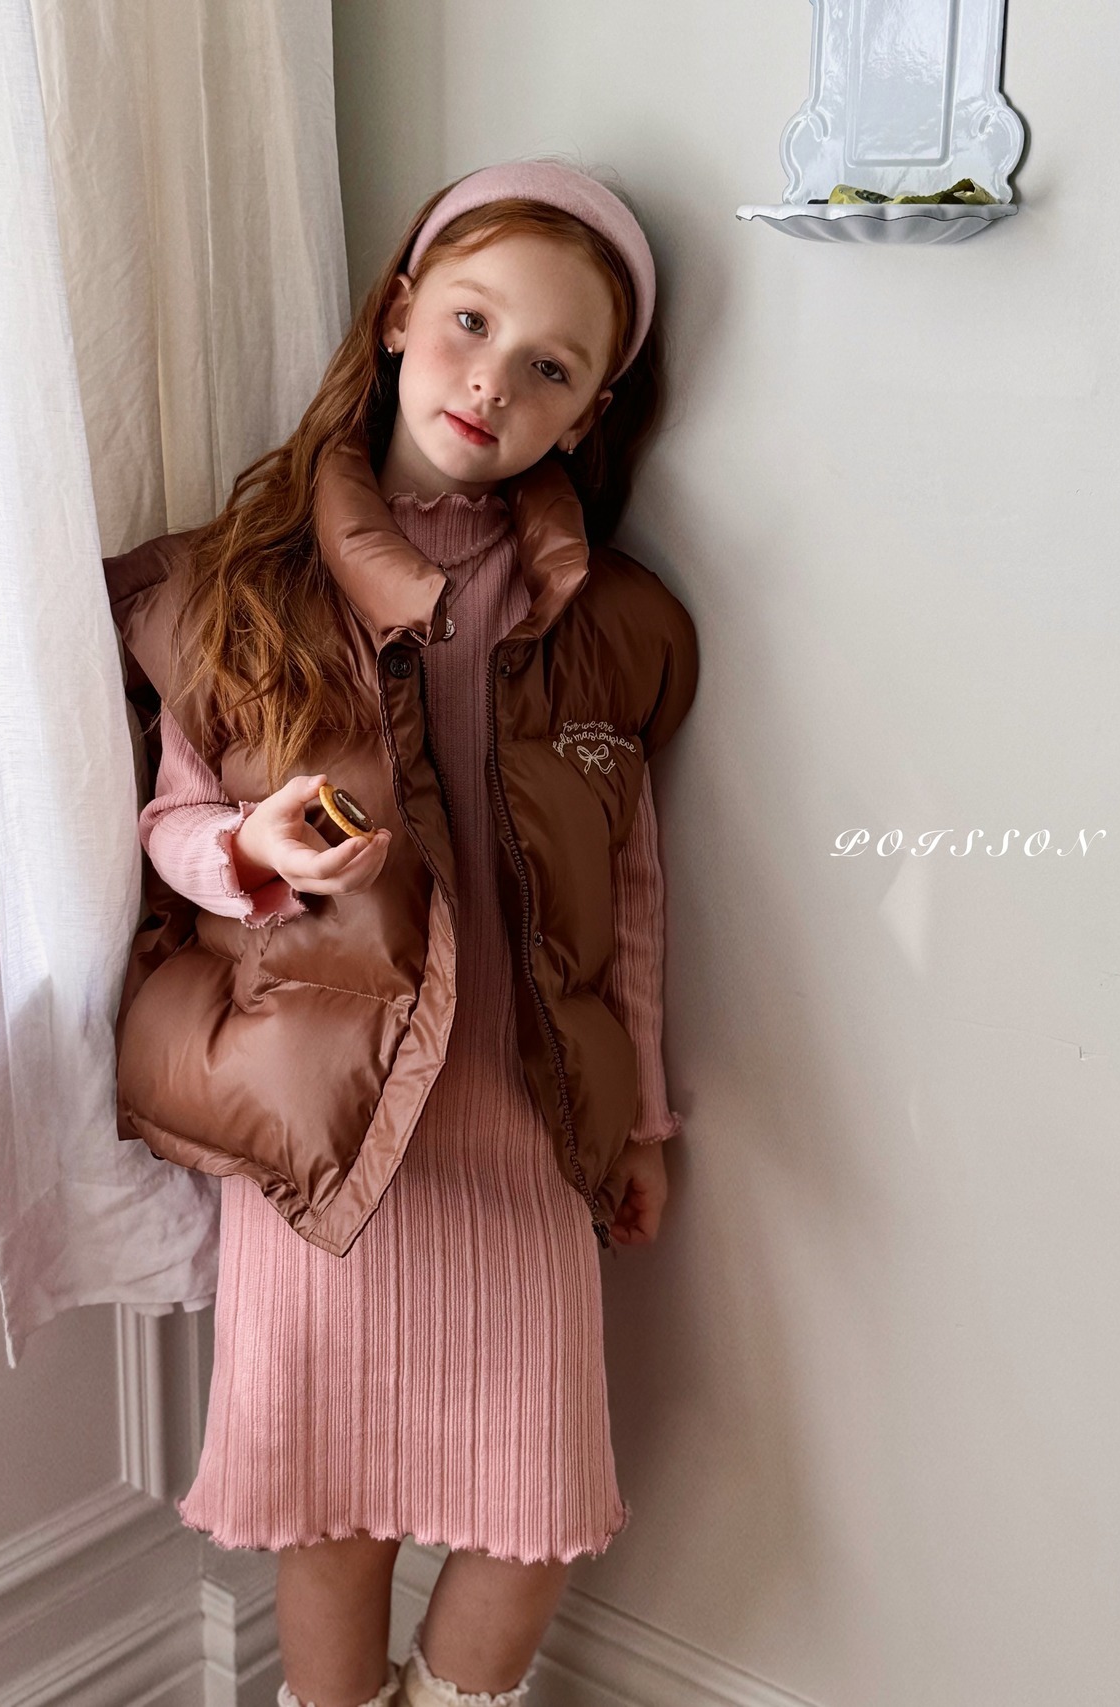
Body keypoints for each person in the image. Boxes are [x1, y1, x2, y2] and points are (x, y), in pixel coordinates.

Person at [105, 157, 698, 1707]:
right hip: (333, 1129)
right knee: (332, 1504)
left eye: (550, 367)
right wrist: (247, 850)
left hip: (522, 1119)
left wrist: (640, 1119)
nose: (492, 383)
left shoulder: (596, 621)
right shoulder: (255, 582)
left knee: (540, 1503)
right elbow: (171, 821)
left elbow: (631, 892)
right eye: (470, 325)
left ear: (589, 415)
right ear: (397, 319)